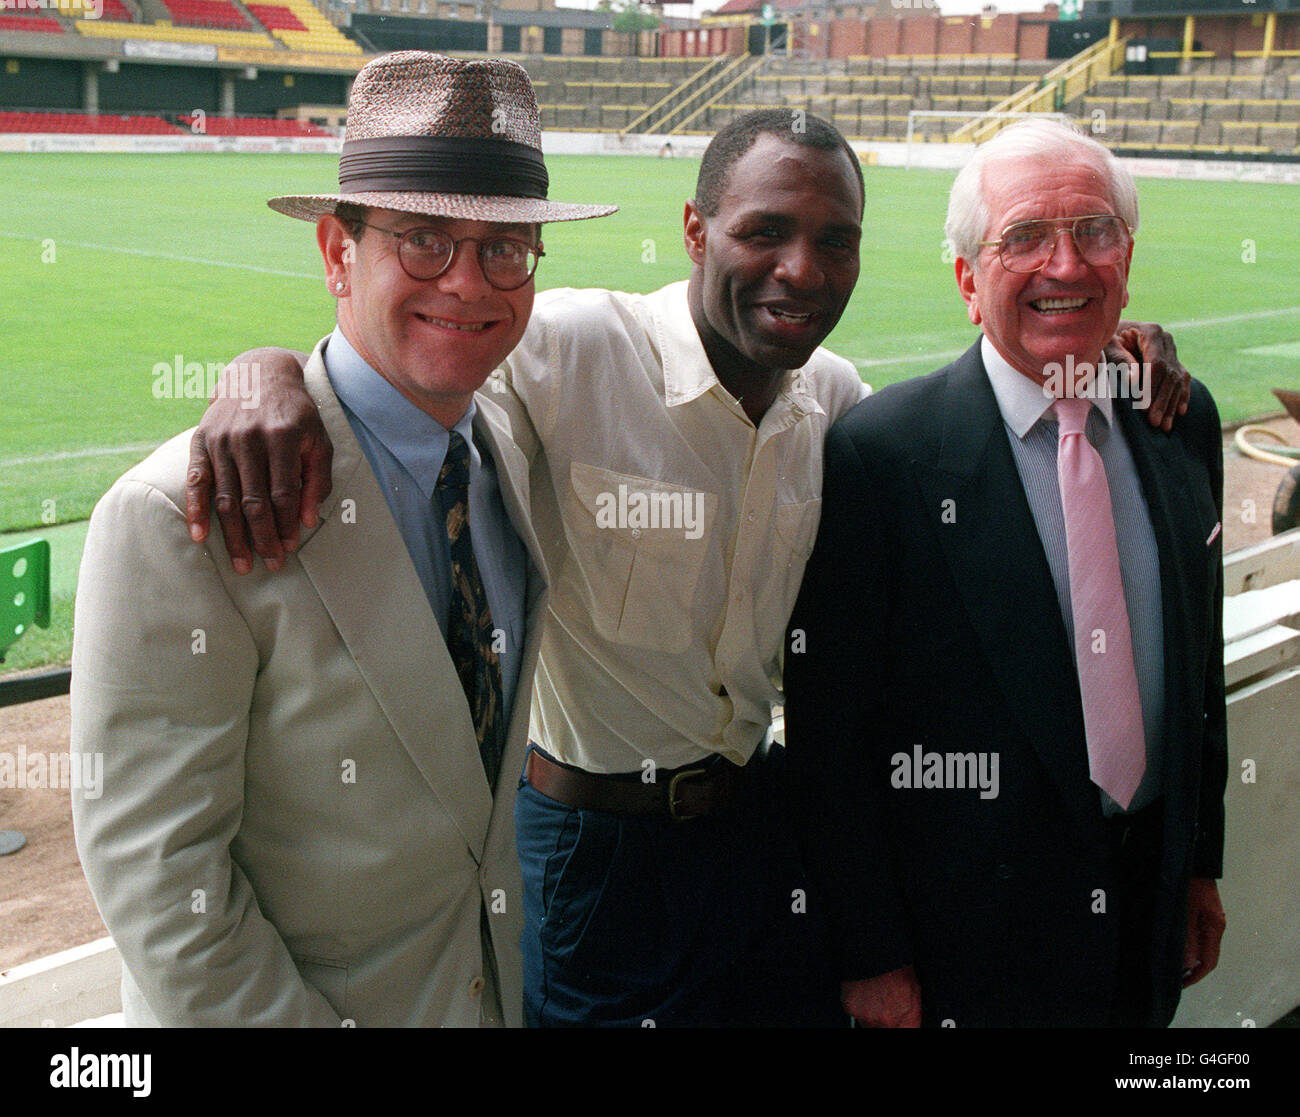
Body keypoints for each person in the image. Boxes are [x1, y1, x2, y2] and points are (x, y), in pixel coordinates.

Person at [185, 110, 1193, 1027]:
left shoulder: (837, 403)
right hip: (594, 847)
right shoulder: (569, 350)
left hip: (762, 835)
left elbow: (974, 430)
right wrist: (264, 370)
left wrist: (1111, 353)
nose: (800, 269)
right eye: (765, 232)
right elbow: (422, 364)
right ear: (696, 230)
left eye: (833, 241)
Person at [69, 51, 615, 1027]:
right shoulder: (172, 519)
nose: (469, 281)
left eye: (506, 247)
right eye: (424, 240)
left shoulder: (513, 456)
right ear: (335, 252)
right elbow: (164, 892)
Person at [784, 118, 1227, 1028]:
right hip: (966, 948)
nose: (1066, 265)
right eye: (1024, 238)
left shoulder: (1174, 416)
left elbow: (1198, 668)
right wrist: (871, 956)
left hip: (1145, 915)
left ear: (1127, 257)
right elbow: (833, 737)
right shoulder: (883, 455)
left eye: (1094, 231)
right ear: (967, 280)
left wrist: (1197, 861)